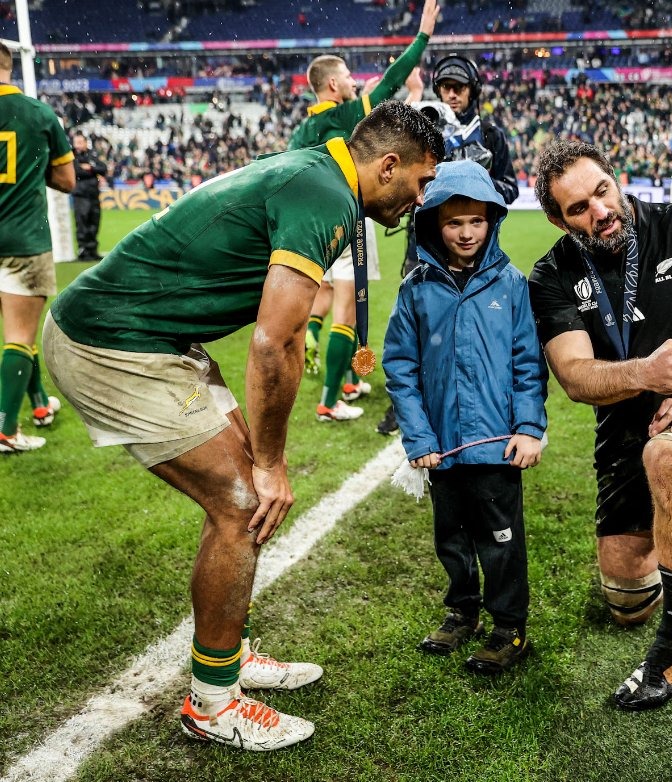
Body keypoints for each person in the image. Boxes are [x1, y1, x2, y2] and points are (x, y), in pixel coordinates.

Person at [42, 102, 444, 750]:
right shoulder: (326, 194)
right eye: (422, 183)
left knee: (243, 503)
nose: (419, 200)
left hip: (149, 335)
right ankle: (211, 703)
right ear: (388, 165)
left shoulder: (320, 177)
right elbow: (272, 342)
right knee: (244, 501)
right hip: (110, 341)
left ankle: (228, 657)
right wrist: (272, 462)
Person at [529, 138, 672, 710]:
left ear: (617, 179)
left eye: (602, 191)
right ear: (560, 221)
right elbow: (577, 378)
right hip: (623, 429)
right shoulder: (552, 275)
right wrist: (646, 372)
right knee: (626, 602)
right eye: (578, 208)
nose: (600, 212)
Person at [383, 159, 547, 674]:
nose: (466, 232)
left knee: (500, 539)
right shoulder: (415, 289)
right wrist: (418, 436)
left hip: (498, 446)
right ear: (433, 224)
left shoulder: (511, 285)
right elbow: (400, 368)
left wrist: (528, 427)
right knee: (450, 536)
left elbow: (528, 363)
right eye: (454, 222)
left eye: (476, 221)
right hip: (442, 447)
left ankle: (508, 628)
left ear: (492, 220)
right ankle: (462, 612)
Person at [289, 0, 438, 423]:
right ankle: (330, 400)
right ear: (333, 84)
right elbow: (393, 79)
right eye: (349, 77)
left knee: (342, 299)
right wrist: (423, 33)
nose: (355, 82)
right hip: (348, 218)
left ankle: (351, 380)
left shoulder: (305, 127)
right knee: (348, 309)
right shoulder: (347, 113)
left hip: (316, 227)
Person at [376, 51, 519, 436]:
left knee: (481, 328)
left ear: (473, 90)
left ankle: (485, 400)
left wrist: (479, 179)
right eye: (445, 87)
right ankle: (403, 407)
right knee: (419, 325)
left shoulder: (491, 135)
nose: (451, 93)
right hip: (425, 247)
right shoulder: (425, 128)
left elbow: (511, 187)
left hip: (478, 250)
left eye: (459, 87)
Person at [0, 43, 75, 454]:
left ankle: (40, 404)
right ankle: (6, 430)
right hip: (22, 238)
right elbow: (66, 181)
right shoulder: (38, 113)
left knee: (14, 334)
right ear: (8, 67)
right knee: (19, 334)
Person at [71, 132, 108, 261]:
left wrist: (90, 168)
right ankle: (83, 251)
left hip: (93, 195)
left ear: (86, 142)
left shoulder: (92, 155)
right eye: (76, 143)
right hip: (81, 195)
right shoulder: (72, 156)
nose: (78, 146)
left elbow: (103, 169)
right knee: (82, 223)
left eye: (80, 142)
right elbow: (77, 171)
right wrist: (93, 170)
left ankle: (92, 250)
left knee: (94, 222)